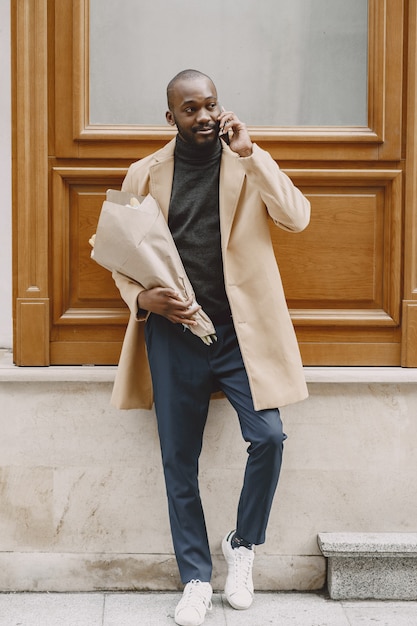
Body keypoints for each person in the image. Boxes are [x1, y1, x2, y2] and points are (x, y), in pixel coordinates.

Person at [111, 69, 310, 626]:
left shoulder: (243, 163)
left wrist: (253, 154)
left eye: (211, 106)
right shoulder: (144, 174)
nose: (203, 117)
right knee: (180, 463)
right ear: (170, 116)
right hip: (174, 338)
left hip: (240, 337)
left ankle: (242, 546)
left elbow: (297, 217)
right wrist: (142, 299)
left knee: (269, 436)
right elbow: (118, 255)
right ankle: (196, 579)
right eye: (190, 108)